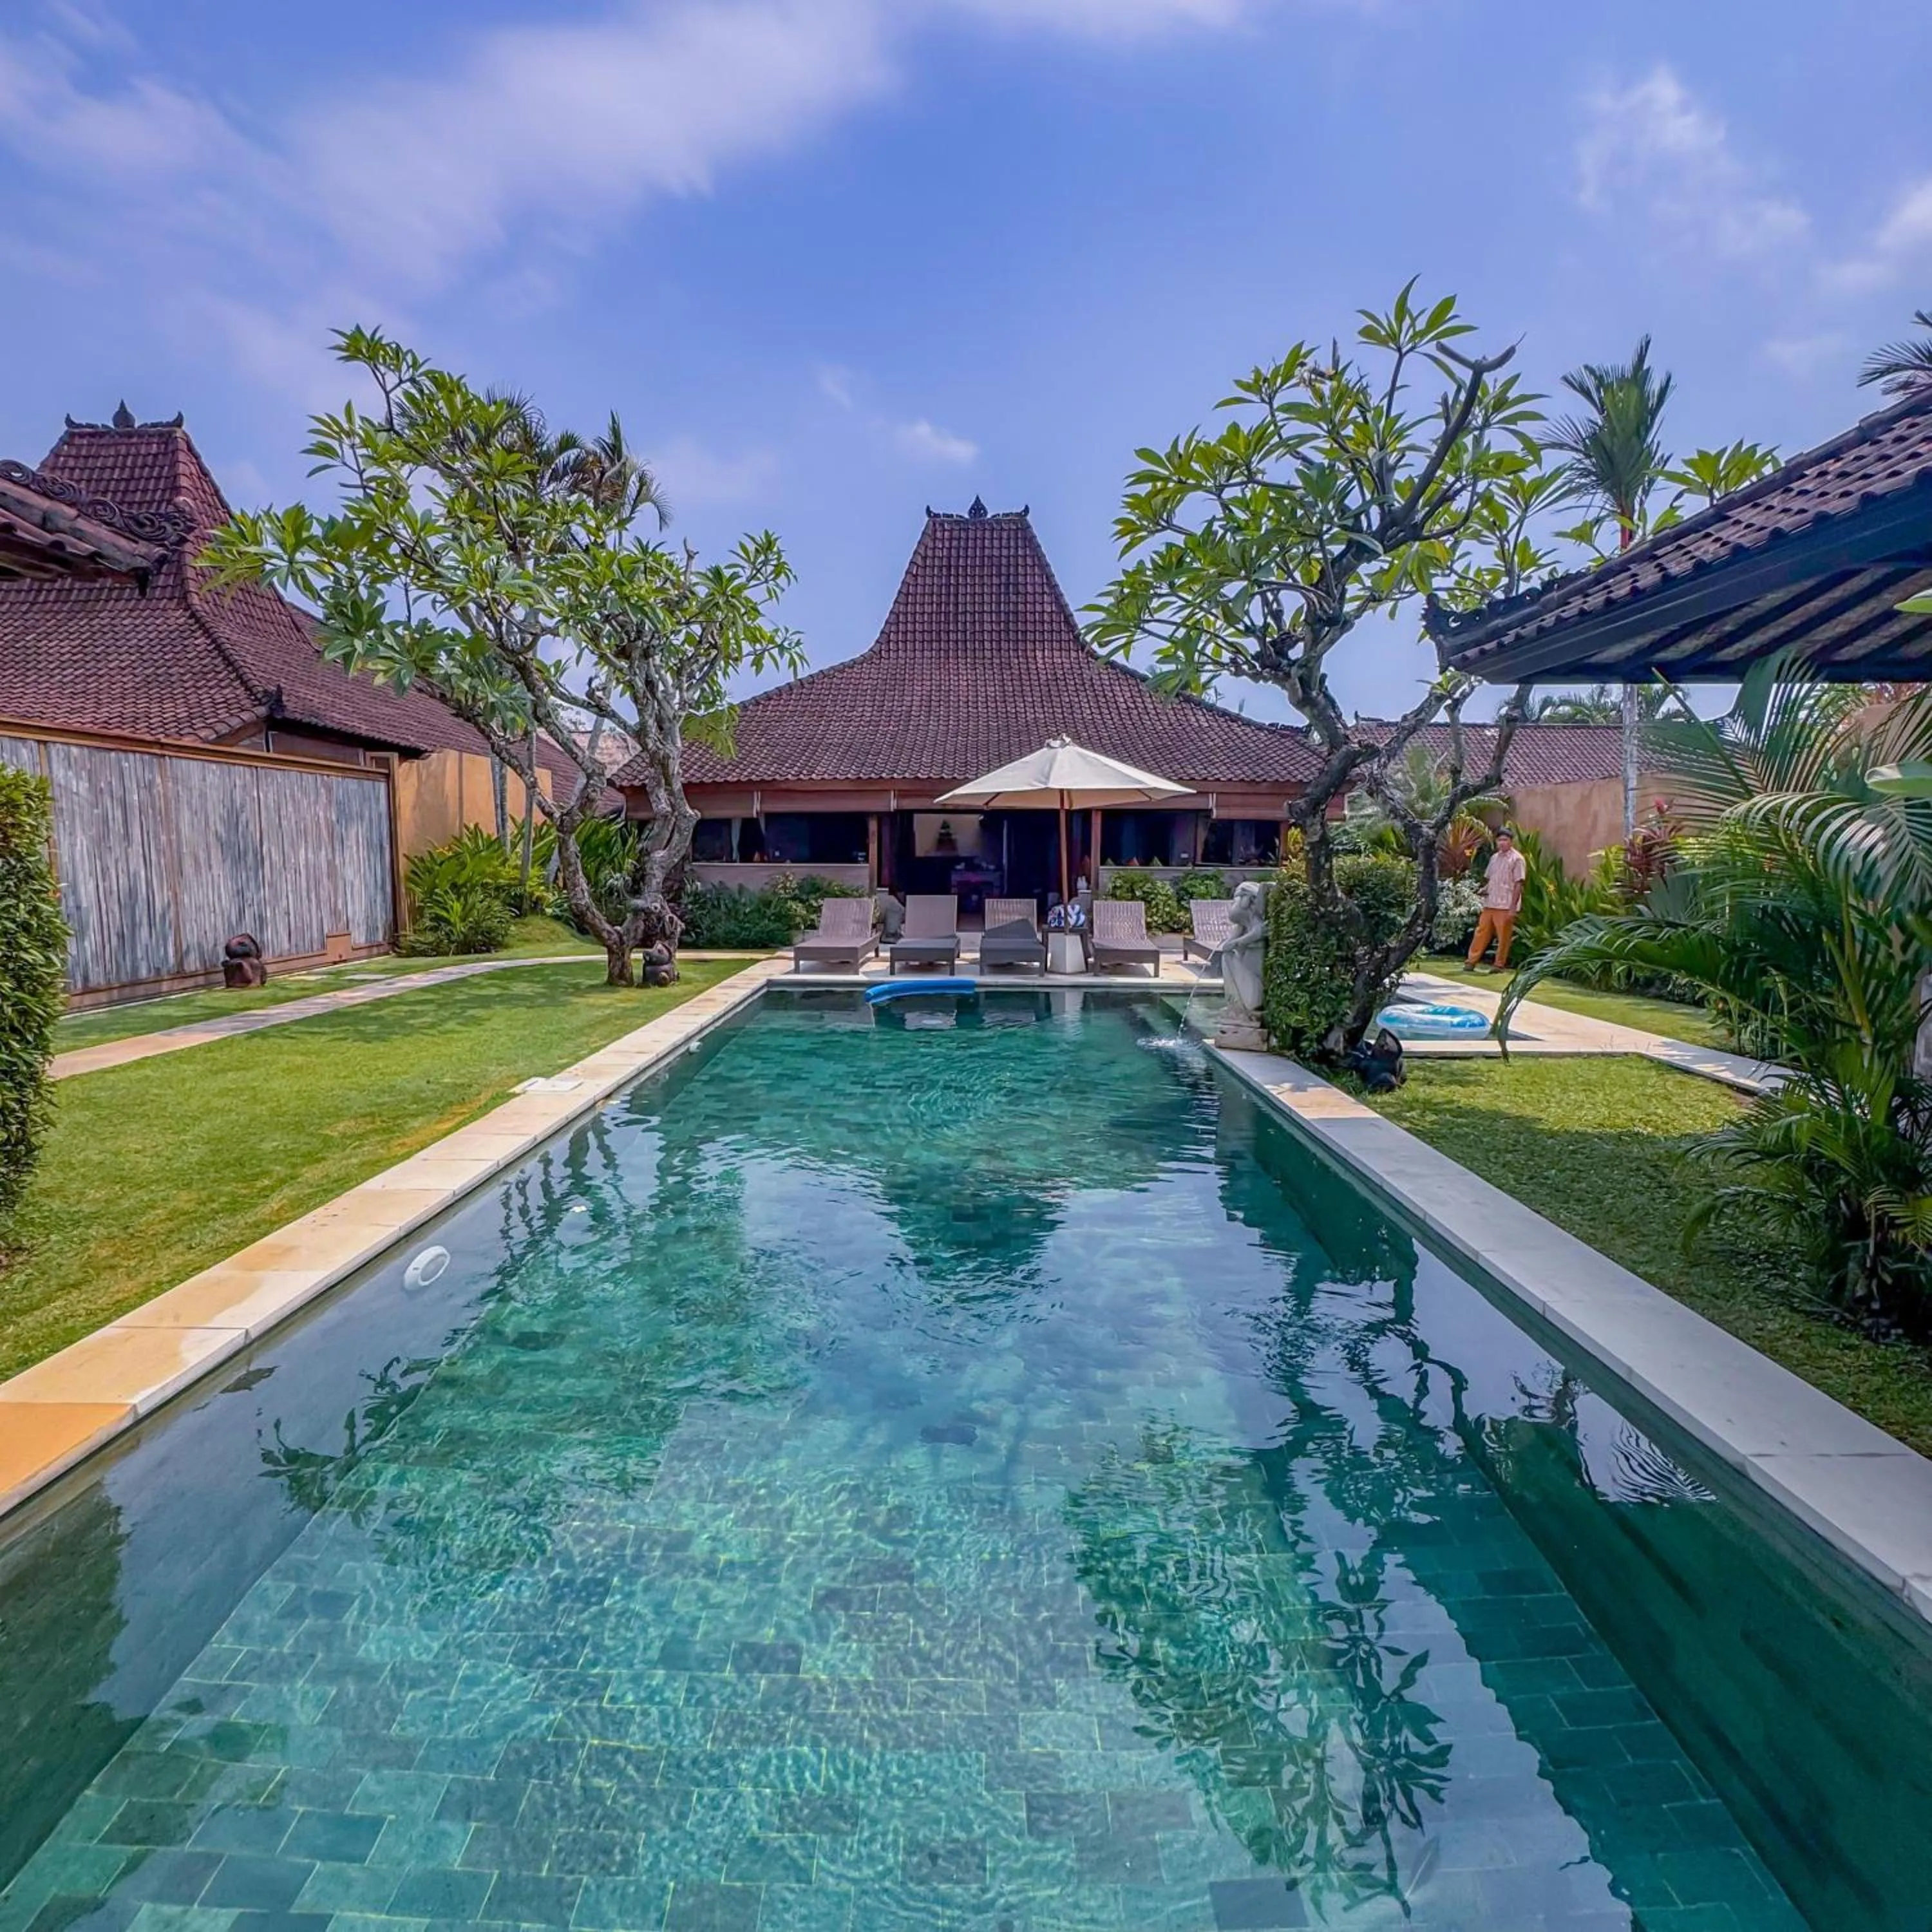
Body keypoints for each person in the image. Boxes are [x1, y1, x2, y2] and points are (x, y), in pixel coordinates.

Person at [1467, 828, 1526, 972]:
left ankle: (1499, 964)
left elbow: (1519, 883)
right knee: (1481, 932)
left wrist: (1513, 907)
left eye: (1505, 840)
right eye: (1500, 840)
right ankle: (1471, 961)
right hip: (1490, 902)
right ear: (1496, 842)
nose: (1502, 843)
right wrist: (1484, 890)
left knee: (1503, 936)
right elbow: (1491, 879)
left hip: (1506, 904)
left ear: (1511, 842)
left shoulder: (1517, 859)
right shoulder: (1494, 858)